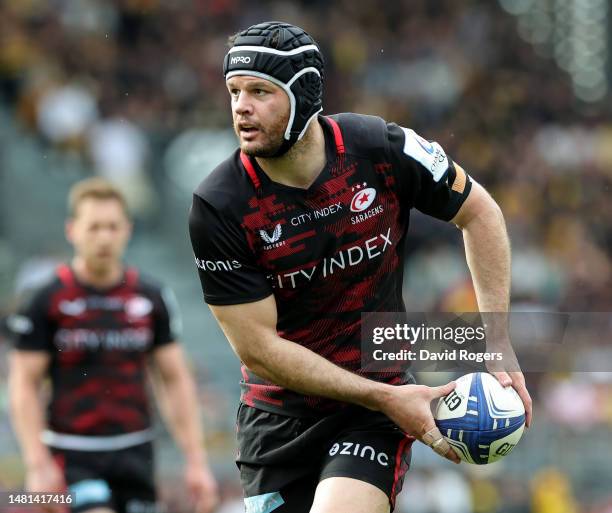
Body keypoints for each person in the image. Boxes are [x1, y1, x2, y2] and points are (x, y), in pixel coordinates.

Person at [188, 21, 533, 513]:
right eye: (234, 91)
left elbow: (480, 213)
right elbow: (260, 350)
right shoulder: (219, 204)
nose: (241, 106)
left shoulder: (380, 148)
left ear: (304, 94)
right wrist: (383, 397)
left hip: (376, 401)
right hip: (278, 417)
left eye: (260, 91)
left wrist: (495, 338)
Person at [8, 178, 219, 513]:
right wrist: (36, 463)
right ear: (72, 230)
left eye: (112, 227)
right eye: (93, 227)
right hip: (70, 454)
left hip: (136, 451)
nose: (104, 237)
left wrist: (196, 461)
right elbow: (23, 383)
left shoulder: (150, 297)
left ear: (127, 230)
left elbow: (175, 379)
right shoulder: (45, 300)